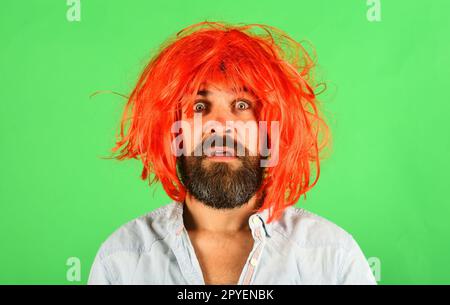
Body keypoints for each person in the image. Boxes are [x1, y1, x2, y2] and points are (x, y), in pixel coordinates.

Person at [88, 21, 376, 285]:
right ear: (173, 130)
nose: (220, 125)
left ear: (269, 128)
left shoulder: (333, 258)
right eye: (199, 107)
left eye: (241, 105)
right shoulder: (121, 261)